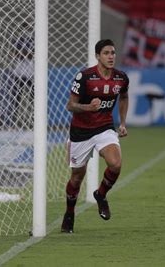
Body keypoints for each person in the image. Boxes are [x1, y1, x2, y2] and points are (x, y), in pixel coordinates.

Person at [61, 39, 129, 233]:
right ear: (98, 56)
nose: (111, 56)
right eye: (106, 53)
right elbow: (70, 105)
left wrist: (122, 123)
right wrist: (87, 107)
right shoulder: (84, 77)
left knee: (115, 164)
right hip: (81, 132)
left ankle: (101, 195)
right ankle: (69, 213)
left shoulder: (121, 78)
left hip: (105, 128)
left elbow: (124, 97)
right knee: (76, 178)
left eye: (113, 53)